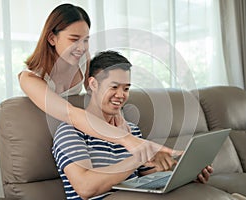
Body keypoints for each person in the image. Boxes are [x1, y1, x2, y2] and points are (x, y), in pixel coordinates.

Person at [18, 3, 172, 164]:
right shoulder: (30, 78)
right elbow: (69, 113)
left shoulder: (82, 60)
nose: (82, 48)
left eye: (86, 40)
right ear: (52, 38)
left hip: (78, 129)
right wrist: (126, 139)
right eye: (74, 39)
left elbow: (99, 91)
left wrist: (118, 116)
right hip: (44, 134)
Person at [52, 51, 213, 200]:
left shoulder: (132, 130)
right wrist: (139, 155)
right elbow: (85, 188)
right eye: (114, 87)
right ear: (93, 84)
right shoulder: (70, 130)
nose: (121, 95)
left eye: (126, 88)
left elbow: (143, 174)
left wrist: (184, 173)